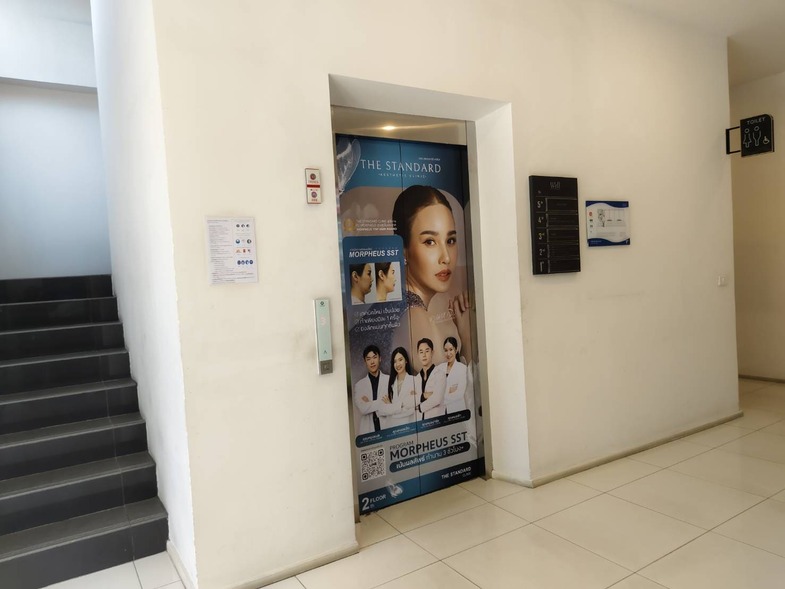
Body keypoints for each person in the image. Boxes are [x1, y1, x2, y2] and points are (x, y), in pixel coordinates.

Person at [392, 185, 472, 368]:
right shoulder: (414, 316)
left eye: (450, 240)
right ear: (403, 248)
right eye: (430, 242)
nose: (446, 257)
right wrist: (467, 337)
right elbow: (448, 387)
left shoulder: (399, 302)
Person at [352, 345, 391, 434]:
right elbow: (362, 409)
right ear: (365, 361)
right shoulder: (359, 385)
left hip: (386, 427)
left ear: (380, 358)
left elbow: (392, 406)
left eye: (374, 357)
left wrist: (369, 403)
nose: (372, 362)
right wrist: (382, 402)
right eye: (368, 359)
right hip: (368, 430)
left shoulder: (389, 380)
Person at [381, 347, 418, 428]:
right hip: (391, 427)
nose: (397, 364)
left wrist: (390, 406)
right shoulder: (389, 383)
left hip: (408, 427)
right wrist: (401, 406)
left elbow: (410, 410)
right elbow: (381, 410)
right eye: (395, 361)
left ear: (406, 360)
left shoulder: (414, 381)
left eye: (400, 360)